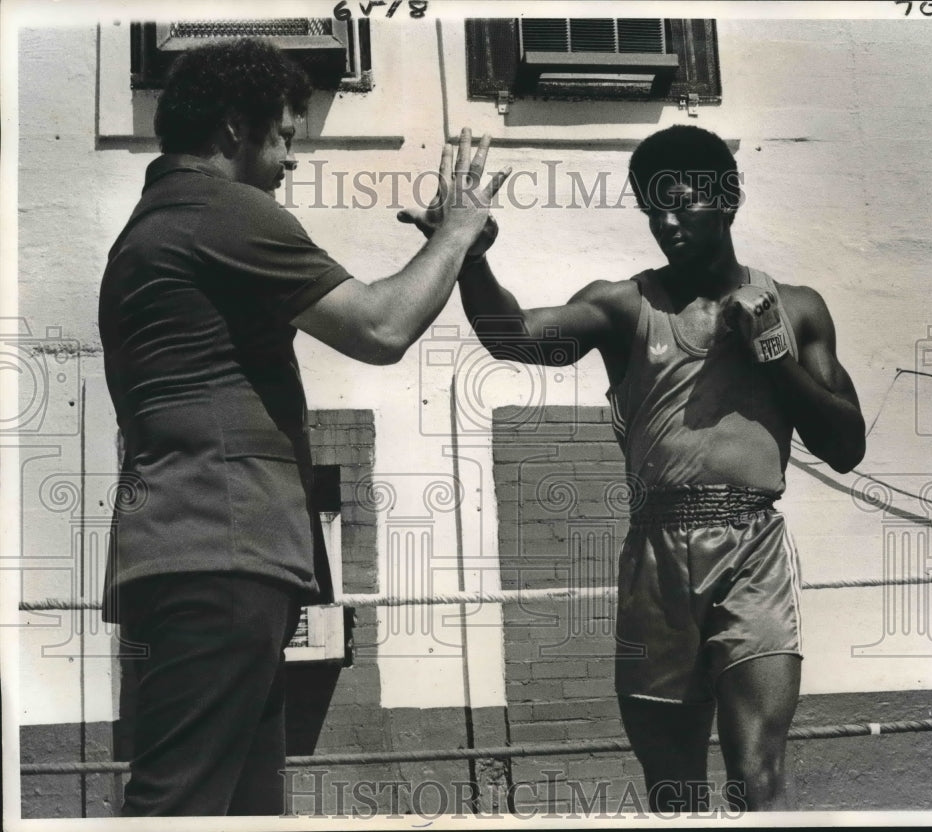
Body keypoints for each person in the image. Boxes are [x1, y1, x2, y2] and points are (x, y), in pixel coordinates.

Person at [401, 124, 865, 811]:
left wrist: (773, 353)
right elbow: (512, 338)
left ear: (728, 200)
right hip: (656, 553)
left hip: (754, 552)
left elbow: (847, 446)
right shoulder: (625, 305)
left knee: (757, 778)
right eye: (654, 209)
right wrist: (465, 254)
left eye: (681, 203)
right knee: (673, 792)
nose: (667, 222)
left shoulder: (795, 308)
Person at [99, 38, 506, 816]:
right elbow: (380, 329)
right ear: (232, 129)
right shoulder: (223, 211)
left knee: (246, 807)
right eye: (284, 135)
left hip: (196, 553)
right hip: (220, 548)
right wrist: (456, 233)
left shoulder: (154, 223)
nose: (290, 160)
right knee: (178, 807)